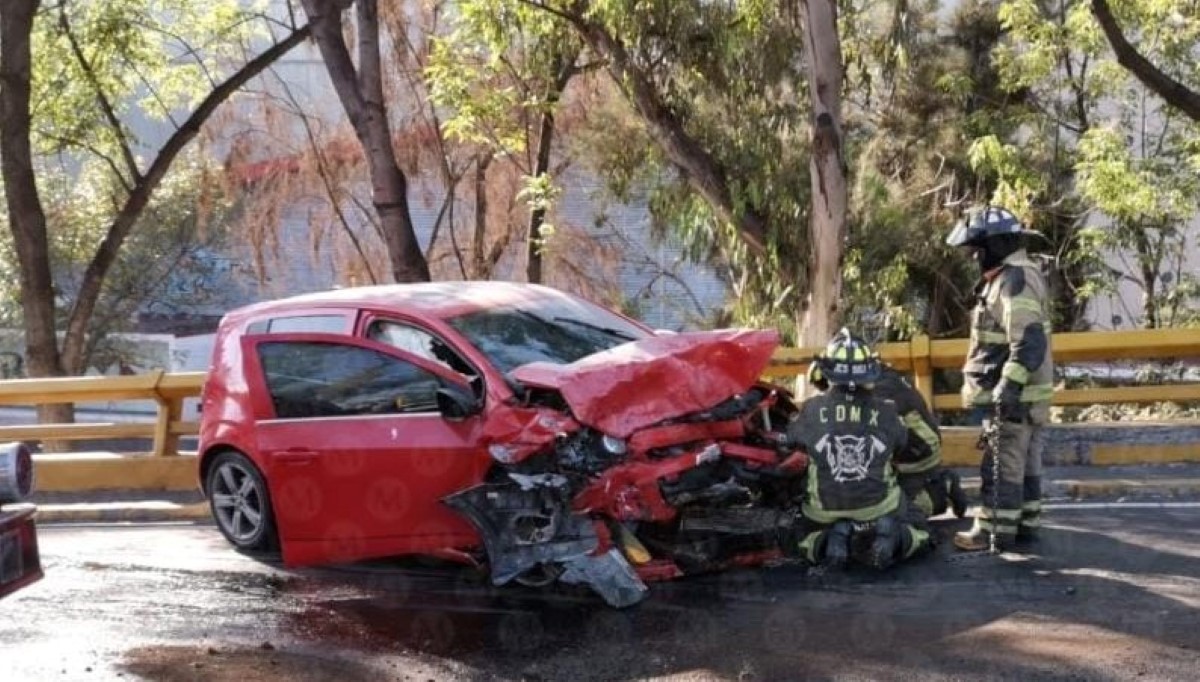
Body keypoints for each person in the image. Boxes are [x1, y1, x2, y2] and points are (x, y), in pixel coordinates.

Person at [945, 206, 1054, 551]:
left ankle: (994, 531)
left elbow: (1028, 340)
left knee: (1002, 465)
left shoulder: (1013, 280)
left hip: (1014, 400)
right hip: (1027, 397)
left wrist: (1008, 387)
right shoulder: (1016, 275)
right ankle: (1025, 523)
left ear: (999, 244)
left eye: (978, 248)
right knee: (1024, 465)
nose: (975, 256)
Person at [785, 329, 933, 569]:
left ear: (825, 371)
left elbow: (791, 441)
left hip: (823, 513)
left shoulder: (810, 410)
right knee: (921, 530)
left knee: (798, 537)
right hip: (880, 508)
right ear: (871, 372)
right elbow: (903, 445)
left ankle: (828, 540)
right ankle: (894, 538)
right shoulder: (888, 411)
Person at [809, 355, 967, 519]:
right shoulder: (871, 373)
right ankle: (934, 484)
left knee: (886, 511)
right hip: (913, 443)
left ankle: (939, 491)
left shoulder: (870, 390)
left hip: (917, 452)